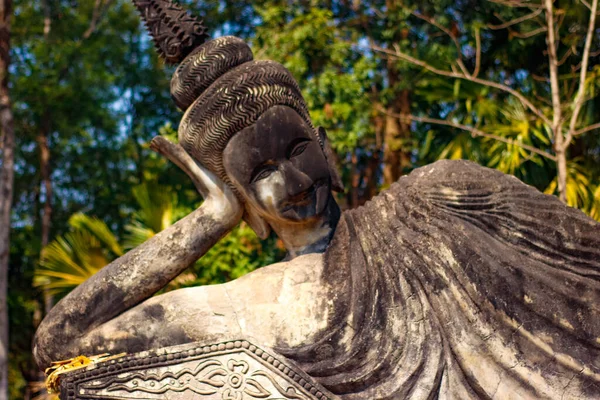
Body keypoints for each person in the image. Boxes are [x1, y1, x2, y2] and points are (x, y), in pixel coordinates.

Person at [34, 1, 600, 398]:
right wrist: (210, 220)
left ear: (324, 146)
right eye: (259, 174)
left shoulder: (441, 195)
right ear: (245, 206)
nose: (293, 178)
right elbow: (62, 340)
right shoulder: (253, 304)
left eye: (298, 146)